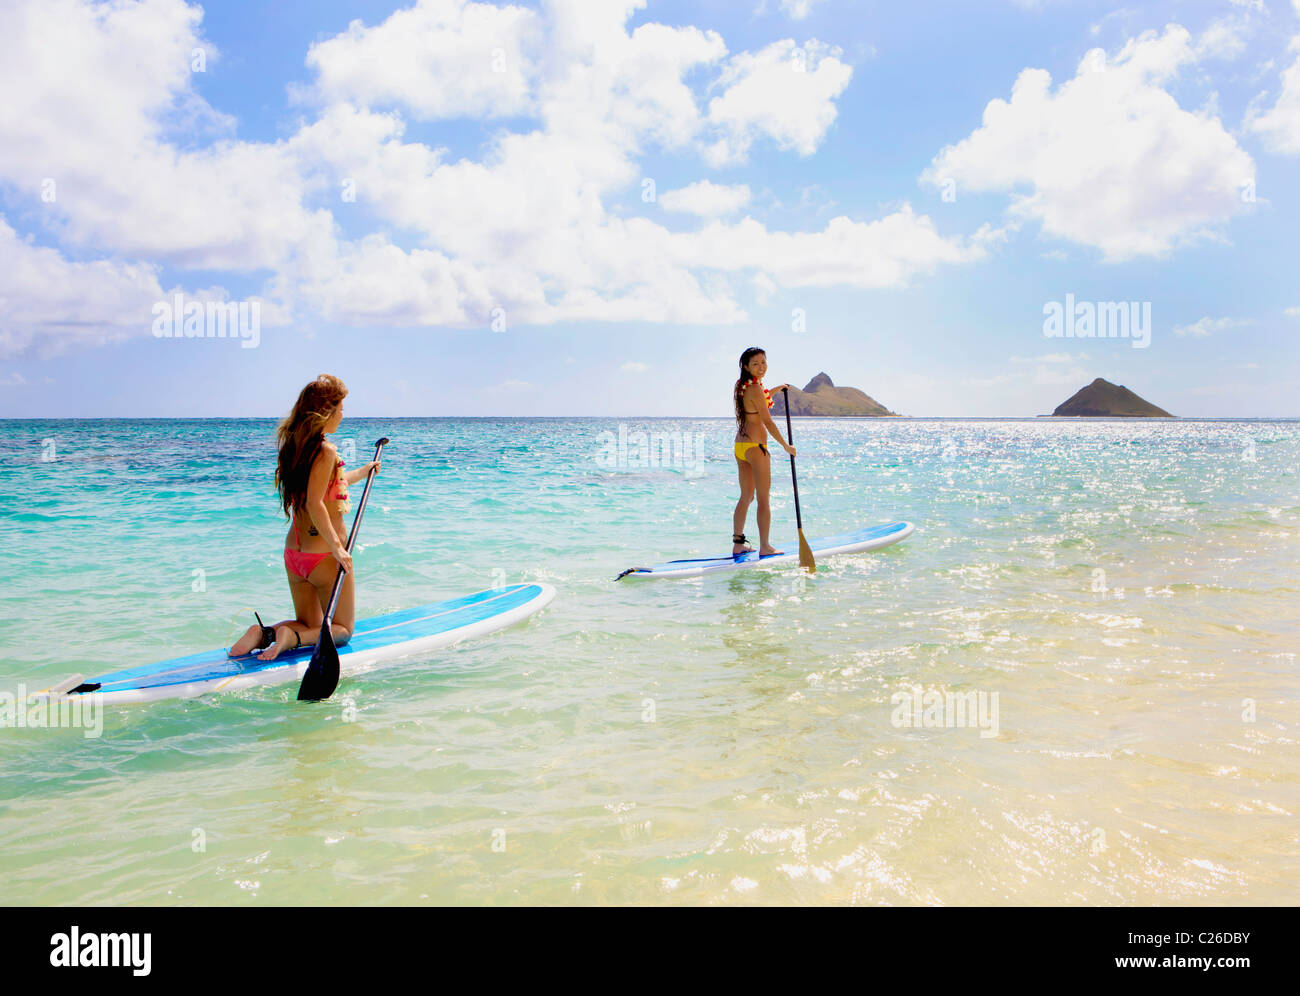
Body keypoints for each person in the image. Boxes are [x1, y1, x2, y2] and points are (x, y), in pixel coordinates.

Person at [229, 374, 381, 661]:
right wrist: (338, 548)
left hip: (295, 556)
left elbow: (325, 488)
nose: (343, 415)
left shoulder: (296, 447)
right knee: (342, 629)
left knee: (311, 624)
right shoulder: (326, 450)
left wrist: (363, 471)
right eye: (340, 408)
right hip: (324, 555)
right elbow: (315, 503)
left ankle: (263, 635)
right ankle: (290, 638)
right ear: (327, 411)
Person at [731, 347, 795, 557]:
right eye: (755, 364)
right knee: (763, 499)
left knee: (746, 496)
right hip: (757, 447)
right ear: (747, 367)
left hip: (741, 446)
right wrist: (786, 446)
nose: (761, 367)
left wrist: (779, 388)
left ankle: (738, 544)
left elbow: (761, 398)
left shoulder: (743, 386)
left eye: (764, 362)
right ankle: (765, 547)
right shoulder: (755, 388)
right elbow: (767, 420)